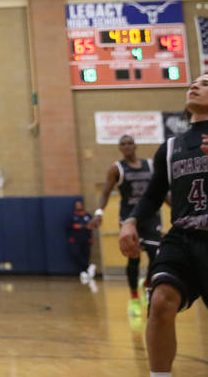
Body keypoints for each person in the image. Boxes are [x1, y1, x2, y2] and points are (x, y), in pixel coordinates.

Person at [119, 73, 208, 377]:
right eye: (193, 82)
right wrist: (130, 221)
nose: (195, 86)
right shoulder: (171, 147)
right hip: (182, 235)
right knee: (160, 301)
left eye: (206, 83)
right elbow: (153, 195)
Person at [89, 133, 162, 315]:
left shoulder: (151, 165)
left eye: (130, 143)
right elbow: (105, 193)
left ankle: (147, 285)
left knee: (156, 257)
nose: (127, 146)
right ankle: (134, 298)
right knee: (134, 259)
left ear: (135, 146)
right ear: (120, 149)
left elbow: (160, 192)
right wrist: (99, 212)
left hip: (151, 217)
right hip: (129, 219)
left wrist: (177, 212)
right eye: (123, 144)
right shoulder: (117, 169)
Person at [67, 200, 96, 287]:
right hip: (75, 240)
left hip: (86, 239)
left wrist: (85, 228)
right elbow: (70, 226)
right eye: (77, 205)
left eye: (79, 204)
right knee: (76, 254)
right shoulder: (72, 216)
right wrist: (82, 226)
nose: (78, 206)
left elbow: (91, 226)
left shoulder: (88, 215)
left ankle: (85, 272)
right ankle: (88, 267)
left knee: (86, 255)